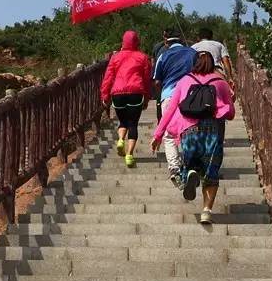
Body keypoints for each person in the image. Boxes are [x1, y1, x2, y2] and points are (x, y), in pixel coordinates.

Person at [150, 51, 235, 224]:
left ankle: (190, 172)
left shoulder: (184, 80)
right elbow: (231, 113)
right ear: (213, 64)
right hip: (214, 130)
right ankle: (206, 211)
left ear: (194, 64)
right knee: (211, 171)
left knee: (192, 162)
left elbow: (171, 109)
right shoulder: (220, 82)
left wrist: (158, 134)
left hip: (188, 129)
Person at [99, 30, 152, 167]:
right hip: (136, 92)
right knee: (133, 124)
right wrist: (146, 97)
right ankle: (129, 155)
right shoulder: (143, 57)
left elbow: (108, 77)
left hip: (118, 93)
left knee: (123, 121)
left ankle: (121, 139)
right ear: (137, 42)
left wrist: (105, 95)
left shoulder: (115, 57)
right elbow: (146, 80)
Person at [151, 28, 197, 180]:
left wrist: (160, 93)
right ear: (181, 40)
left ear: (166, 41)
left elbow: (157, 81)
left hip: (169, 96)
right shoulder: (192, 53)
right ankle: (191, 165)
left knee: (169, 135)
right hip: (191, 95)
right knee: (189, 130)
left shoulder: (163, 56)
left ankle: (175, 169)